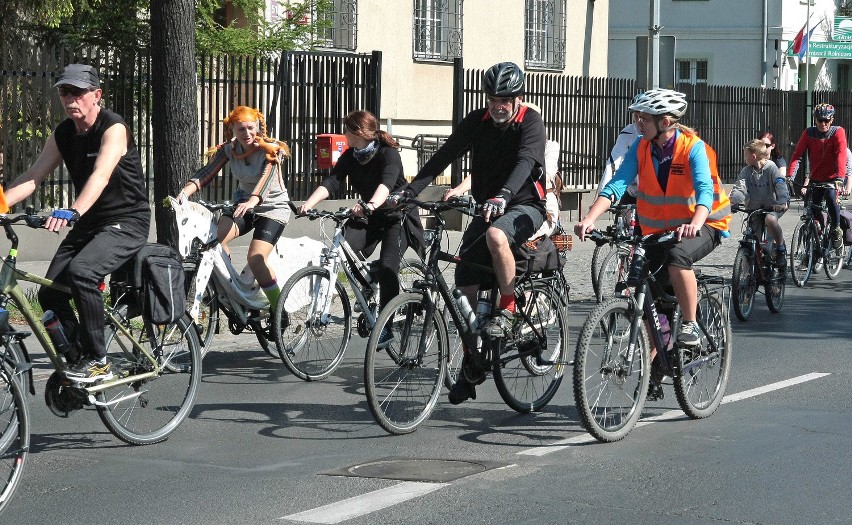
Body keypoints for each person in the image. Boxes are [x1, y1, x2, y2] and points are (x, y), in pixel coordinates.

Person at [389, 61, 547, 405]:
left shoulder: (530, 122)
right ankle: (470, 366)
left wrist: (503, 195)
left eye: (504, 98)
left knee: (496, 237)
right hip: (486, 207)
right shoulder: (477, 122)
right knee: (464, 286)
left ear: (517, 97)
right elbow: (445, 155)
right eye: (492, 97)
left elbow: (525, 162)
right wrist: (410, 190)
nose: (498, 104)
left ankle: (507, 308)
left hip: (524, 207)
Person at [4, 63, 150, 382]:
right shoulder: (64, 133)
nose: (70, 98)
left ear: (96, 95)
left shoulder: (114, 128)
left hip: (127, 220)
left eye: (78, 92)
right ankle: (76, 361)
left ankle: (99, 360)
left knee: (83, 272)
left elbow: (100, 175)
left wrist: (73, 211)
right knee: (51, 294)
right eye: (64, 92)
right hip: (91, 223)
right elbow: (33, 177)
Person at [574, 89, 731, 352]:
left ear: (665, 123)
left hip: (704, 225)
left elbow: (704, 190)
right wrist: (589, 218)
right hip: (658, 230)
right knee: (645, 291)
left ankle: (690, 324)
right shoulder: (641, 146)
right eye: (637, 117)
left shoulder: (693, 148)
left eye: (643, 119)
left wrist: (695, 222)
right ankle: (657, 364)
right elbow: (617, 185)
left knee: (677, 258)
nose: (638, 124)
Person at [298, 110, 424, 346]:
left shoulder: (389, 154)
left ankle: (386, 327)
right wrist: (308, 204)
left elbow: (386, 185)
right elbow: (332, 181)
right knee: (345, 248)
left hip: (397, 216)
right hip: (370, 215)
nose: (344, 134)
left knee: (388, 268)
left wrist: (370, 205)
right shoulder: (350, 156)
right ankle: (368, 284)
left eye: (347, 129)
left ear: (358, 132)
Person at [178, 106, 292, 310]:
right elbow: (207, 172)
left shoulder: (272, 149)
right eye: (241, 129)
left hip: (272, 208)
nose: (247, 134)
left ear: (258, 127)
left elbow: (267, 177)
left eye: (251, 128)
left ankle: (278, 308)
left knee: (256, 259)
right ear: (232, 130)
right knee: (213, 241)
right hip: (244, 206)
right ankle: (231, 288)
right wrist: (184, 193)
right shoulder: (229, 149)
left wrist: (254, 199)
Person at [787, 103, 852, 249]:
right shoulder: (809, 133)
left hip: (833, 178)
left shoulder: (838, 132)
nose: (823, 124)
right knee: (812, 209)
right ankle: (815, 245)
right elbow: (798, 155)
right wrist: (790, 176)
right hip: (816, 178)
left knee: (830, 197)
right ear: (815, 120)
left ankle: (836, 229)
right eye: (819, 120)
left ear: (832, 119)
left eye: (826, 121)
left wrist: (840, 178)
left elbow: (842, 155)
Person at [729, 139, 789, 267]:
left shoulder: (771, 168)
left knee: (770, 220)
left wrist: (782, 201)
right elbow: (740, 188)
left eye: (745, 155)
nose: (745, 158)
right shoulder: (746, 171)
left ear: (754, 156)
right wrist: (732, 203)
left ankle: (780, 248)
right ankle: (752, 269)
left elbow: (780, 184)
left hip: (773, 206)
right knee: (752, 238)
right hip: (754, 208)